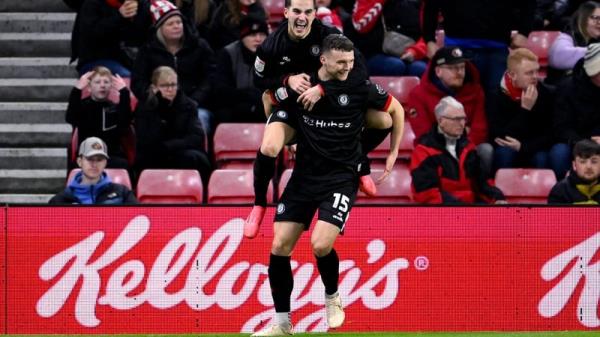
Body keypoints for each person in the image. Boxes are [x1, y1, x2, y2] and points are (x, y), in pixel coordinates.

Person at [250, 34, 404, 337]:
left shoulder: (360, 87)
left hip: (340, 178)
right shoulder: (301, 88)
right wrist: (286, 136)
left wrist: (393, 154)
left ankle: (332, 296)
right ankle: (282, 323)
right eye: (342, 62)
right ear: (323, 60)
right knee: (279, 245)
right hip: (304, 177)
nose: (348, 67)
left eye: (350, 61)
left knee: (320, 244)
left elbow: (395, 111)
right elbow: (268, 98)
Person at [245, 0, 390, 238]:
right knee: (270, 146)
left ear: (314, 14)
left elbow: (361, 73)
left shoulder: (329, 37)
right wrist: (287, 80)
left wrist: (322, 88)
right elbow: (258, 81)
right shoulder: (271, 45)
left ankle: (358, 162)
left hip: (333, 108)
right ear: (286, 13)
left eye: (307, 12)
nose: (302, 17)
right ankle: (259, 204)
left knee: (384, 121)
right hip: (296, 111)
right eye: (297, 11)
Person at [406, 46, 493, 177]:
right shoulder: (418, 95)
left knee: (486, 150)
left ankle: (477, 192)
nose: (459, 72)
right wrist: (462, 132)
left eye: (462, 67)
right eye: (452, 68)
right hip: (434, 150)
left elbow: (480, 130)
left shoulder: (475, 91)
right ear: (438, 71)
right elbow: (424, 135)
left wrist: (460, 147)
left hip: (468, 149)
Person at [132, 0, 216, 134]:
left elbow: (210, 78)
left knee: (201, 118)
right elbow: (138, 83)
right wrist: (156, 99)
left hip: (193, 104)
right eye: (170, 24)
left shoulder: (199, 46)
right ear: (160, 28)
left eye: (179, 22)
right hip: (158, 106)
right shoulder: (147, 51)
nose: (177, 26)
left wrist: (193, 100)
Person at [421, 0, 536, 95]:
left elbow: (529, 4)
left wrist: (524, 31)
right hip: (457, 47)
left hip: (497, 48)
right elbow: (430, 5)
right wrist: (429, 39)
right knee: (456, 103)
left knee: (497, 102)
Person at [486, 48, 566, 178]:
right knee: (504, 153)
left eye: (537, 71)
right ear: (512, 75)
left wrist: (524, 147)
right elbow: (499, 136)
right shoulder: (495, 96)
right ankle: (501, 196)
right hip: (509, 148)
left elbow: (553, 133)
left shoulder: (547, 93)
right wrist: (525, 109)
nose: (535, 77)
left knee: (542, 158)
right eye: (529, 73)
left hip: (535, 147)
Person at [410, 96, 506, 204]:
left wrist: (497, 198)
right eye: (456, 119)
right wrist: (461, 209)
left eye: (463, 119)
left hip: (467, 209)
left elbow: (481, 182)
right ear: (441, 121)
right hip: (441, 213)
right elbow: (428, 194)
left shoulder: (469, 147)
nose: (462, 124)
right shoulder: (424, 151)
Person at [134, 66, 212, 184]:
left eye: (173, 85)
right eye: (164, 86)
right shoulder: (144, 107)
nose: (170, 89)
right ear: (154, 88)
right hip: (154, 154)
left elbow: (196, 137)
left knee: (196, 158)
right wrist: (161, 106)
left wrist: (170, 145)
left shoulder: (188, 105)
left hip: (180, 150)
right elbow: (146, 139)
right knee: (148, 159)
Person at [66, 66, 133, 169]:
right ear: (89, 87)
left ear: (111, 86)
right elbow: (70, 117)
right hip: (88, 155)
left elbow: (124, 124)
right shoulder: (83, 106)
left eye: (106, 82)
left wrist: (124, 92)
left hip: (111, 155)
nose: (102, 85)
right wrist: (77, 89)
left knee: (122, 164)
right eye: (97, 82)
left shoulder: (114, 108)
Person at [553, 42, 600, 179]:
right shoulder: (568, 88)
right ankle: (563, 192)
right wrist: (582, 144)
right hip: (574, 141)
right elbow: (560, 127)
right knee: (559, 152)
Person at [213, 14, 269, 123]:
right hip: (234, 106)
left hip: (263, 106)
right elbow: (221, 90)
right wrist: (247, 95)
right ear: (242, 37)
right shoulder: (228, 54)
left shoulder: (274, 54)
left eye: (262, 34)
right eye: (252, 35)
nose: (258, 39)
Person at [347, 0, 427, 77]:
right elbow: (361, 26)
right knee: (396, 66)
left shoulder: (419, 4)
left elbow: (430, 35)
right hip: (374, 53)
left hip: (410, 54)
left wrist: (415, 51)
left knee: (421, 69)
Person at [72, 0, 152, 76]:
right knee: (127, 77)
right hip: (97, 59)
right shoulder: (92, 4)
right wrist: (119, 16)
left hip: (129, 59)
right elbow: (91, 36)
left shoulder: (141, 4)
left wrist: (141, 13)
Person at [49, 137, 137, 204]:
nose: (94, 164)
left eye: (99, 159)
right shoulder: (60, 200)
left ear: (105, 163)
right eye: (90, 159)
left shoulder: (123, 194)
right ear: (79, 162)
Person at [548, 1, 600, 85]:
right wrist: (595, 52)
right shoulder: (566, 36)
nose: (599, 23)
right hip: (564, 89)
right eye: (595, 18)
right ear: (583, 19)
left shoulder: (596, 40)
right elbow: (558, 57)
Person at [548, 139, 600, 204]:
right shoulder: (560, 191)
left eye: (594, 162)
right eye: (583, 162)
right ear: (574, 165)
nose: (589, 166)